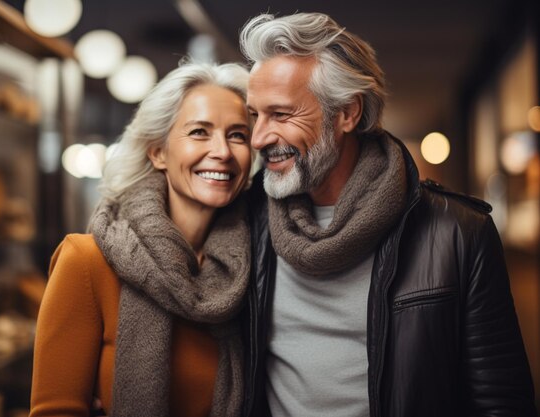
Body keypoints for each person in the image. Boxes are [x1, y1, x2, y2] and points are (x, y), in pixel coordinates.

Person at [239, 12, 537, 417]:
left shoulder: (458, 234)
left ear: (347, 113)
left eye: (282, 114)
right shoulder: (246, 225)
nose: (259, 137)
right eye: (255, 115)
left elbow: (500, 402)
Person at [29, 61, 253, 417]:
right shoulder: (87, 262)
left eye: (238, 135)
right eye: (199, 132)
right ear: (158, 152)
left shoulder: (252, 273)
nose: (223, 152)